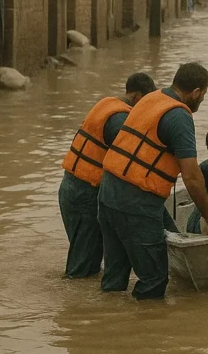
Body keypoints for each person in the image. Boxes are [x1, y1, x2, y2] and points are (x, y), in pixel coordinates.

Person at [97, 62, 208, 299]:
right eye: (203, 95)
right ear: (196, 92)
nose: (202, 100)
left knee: (114, 276)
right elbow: (191, 177)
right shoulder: (179, 117)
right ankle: (149, 331)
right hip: (136, 202)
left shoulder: (152, 98)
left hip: (108, 193)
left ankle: (109, 325)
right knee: (155, 278)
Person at [58, 72, 156, 278]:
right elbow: (128, 164)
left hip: (70, 187)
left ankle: (82, 300)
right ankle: (78, 306)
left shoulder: (106, 104)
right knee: (82, 267)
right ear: (138, 96)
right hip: (86, 194)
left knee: (85, 257)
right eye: (145, 101)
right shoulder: (120, 119)